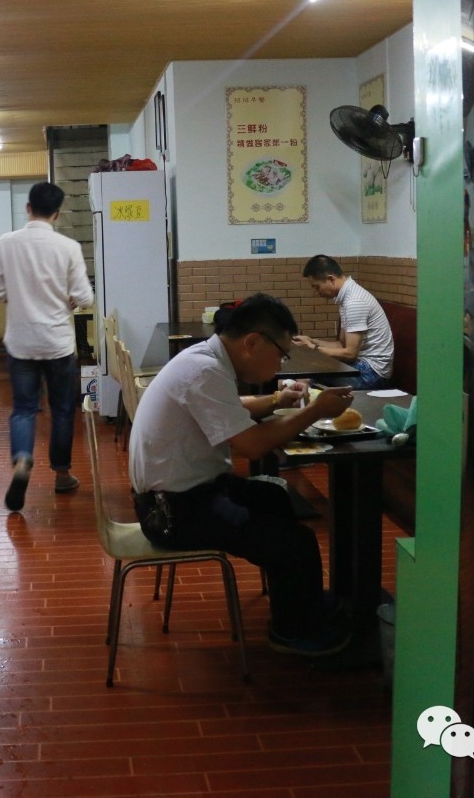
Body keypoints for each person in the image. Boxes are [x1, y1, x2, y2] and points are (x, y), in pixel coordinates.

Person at [128, 293, 353, 656]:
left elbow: (232, 409)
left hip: (185, 494)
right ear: (252, 342)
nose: (281, 363)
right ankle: (293, 632)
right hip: (171, 512)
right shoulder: (205, 370)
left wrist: (278, 401)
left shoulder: (204, 359)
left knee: (275, 498)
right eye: (281, 353)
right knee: (295, 542)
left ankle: (300, 605)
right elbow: (251, 445)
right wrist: (315, 412)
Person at [0, 181, 93, 511]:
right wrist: (68, 301)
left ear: (28, 208)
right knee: (61, 410)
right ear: (57, 214)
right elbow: (85, 297)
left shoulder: (6, 243)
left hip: (21, 343)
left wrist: (17, 298)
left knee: (24, 408)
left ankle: (22, 459)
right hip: (58, 343)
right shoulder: (68, 247)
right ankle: (61, 475)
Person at [294, 254, 394, 390]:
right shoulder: (346, 298)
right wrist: (311, 341)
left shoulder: (354, 302)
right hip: (363, 366)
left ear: (330, 279)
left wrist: (313, 348)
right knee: (307, 368)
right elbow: (341, 345)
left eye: (317, 287)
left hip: (372, 374)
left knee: (308, 371)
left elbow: (350, 354)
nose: (316, 292)